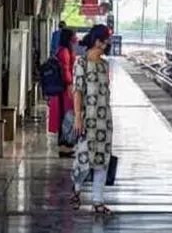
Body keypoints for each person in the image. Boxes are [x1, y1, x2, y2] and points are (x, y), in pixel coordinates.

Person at [70, 24, 113, 214]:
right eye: (106, 39)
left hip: (104, 120)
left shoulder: (105, 65)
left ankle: (98, 201)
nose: (108, 43)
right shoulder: (81, 63)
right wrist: (78, 117)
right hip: (88, 119)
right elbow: (77, 92)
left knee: (102, 160)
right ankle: (77, 189)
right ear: (98, 41)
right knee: (83, 158)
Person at [47, 28, 77, 157]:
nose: (76, 38)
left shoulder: (61, 50)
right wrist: (70, 84)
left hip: (63, 89)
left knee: (64, 117)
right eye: (74, 36)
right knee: (67, 117)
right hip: (64, 90)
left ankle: (65, 145)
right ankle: (65, 146)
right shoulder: (64, 52)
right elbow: (65, 71)